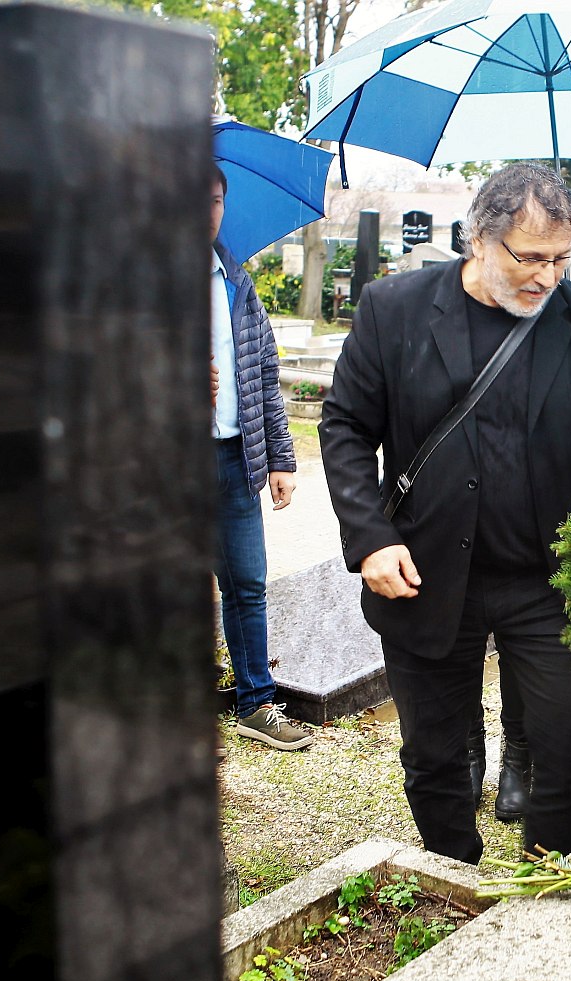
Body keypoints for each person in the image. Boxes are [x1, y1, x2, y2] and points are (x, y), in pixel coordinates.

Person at [318, 163, 571, 864]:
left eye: (561, 258)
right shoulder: (396, 308)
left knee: (568, 745)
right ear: (479, 239)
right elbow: (346, 426)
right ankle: (453, 869)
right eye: (529, 257)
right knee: (437, 752)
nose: (546, 276)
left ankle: (552, 863)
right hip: (424, 569)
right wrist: (370, 539)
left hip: (546, 576)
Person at [209, 165, 313, 752]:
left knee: (246, 583)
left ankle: (255, 702)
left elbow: (264, 376)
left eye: (216, 199)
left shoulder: (236, 281)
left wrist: (280, 457)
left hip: (232, 459)